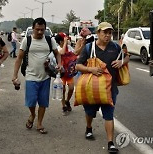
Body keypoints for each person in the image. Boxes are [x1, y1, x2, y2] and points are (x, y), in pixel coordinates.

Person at [76, 22, 130, 153]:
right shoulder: (89, 48)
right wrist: (91, 69)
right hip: (91, 89)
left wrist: (121, 62)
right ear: (98, 33)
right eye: (104, 32)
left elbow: (127, 57)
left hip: (110, 89)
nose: (107, 35)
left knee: (109, 115)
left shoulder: (115, 47)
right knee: (90, 112)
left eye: (110, 33)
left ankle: (110, 143)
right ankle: (89, 128)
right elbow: (78, 66)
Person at [12, 17, 61, 134]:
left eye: (42, 30)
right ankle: (32, 115)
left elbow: (57, 54)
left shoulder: (50, 40)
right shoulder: (27, 40)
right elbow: (19, 58)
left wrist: (59, 64)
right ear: (33, 28)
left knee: (43, 102)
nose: (39, 32)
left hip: (46, 76)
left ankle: (39, 123)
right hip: (30, 76)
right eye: (37, 29)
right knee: (31, 101)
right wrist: (15, 75)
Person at [55, 32, 77, 115]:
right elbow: (62, 52)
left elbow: (75, 53)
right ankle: (63, 106)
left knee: (71, 88)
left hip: (69, 72)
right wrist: (65, 43)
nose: (67, 40)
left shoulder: (69, 47)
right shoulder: (57, 48)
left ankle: (67, 101)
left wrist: (82, 44)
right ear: (60, 41)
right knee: (63, 90)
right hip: (61, 73)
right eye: (64, 39)